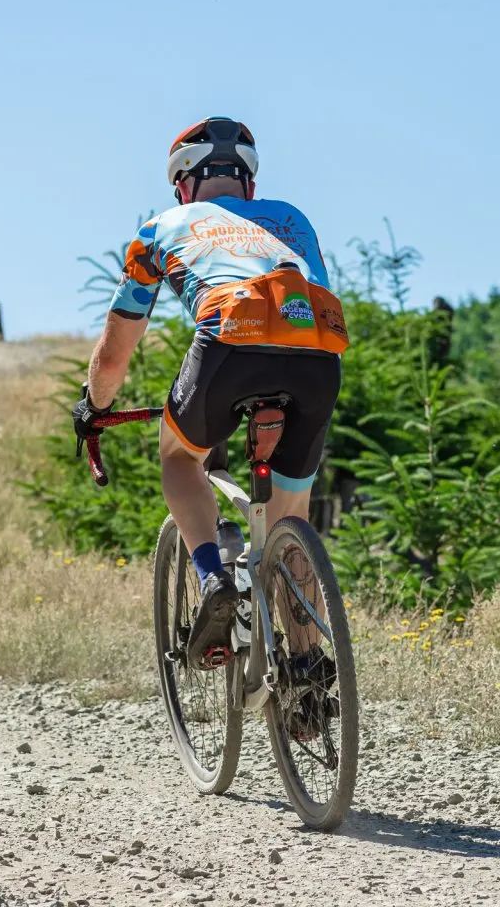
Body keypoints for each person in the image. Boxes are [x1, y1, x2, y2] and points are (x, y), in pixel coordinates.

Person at [71, 118, 347, 712]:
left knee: (179, 457)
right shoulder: (292, 218)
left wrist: (94, 407)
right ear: (247, 182)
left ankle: (212, 576)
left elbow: (117, 347)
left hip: (230, 341)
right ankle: (306, 681)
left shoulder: (160, 228)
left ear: (182, 187)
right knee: (289, 517)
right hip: (318, 354)